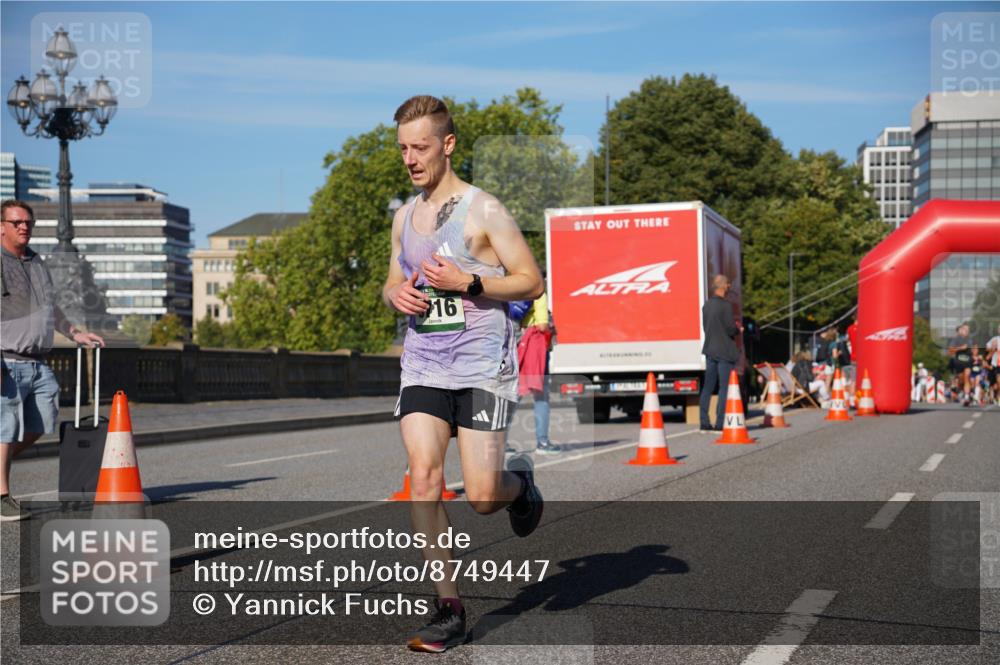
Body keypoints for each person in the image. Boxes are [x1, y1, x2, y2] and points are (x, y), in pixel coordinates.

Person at [381, 96, 545, 653]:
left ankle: (518, 486)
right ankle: (448, 606)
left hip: (482, 368)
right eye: (403, 148)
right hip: (424, 363)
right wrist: (395, 294)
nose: (410, 158)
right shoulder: (405, 216)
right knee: (423, 478)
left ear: (447, 145)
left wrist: (469, 283)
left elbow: (530, 281)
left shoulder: (486, 210)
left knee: (479, 497)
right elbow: (389, 281)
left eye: (420, 147)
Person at [1, 200, 105, 521]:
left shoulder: (36, 263)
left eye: (28, 223)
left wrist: (75, 333)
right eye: (17, 222)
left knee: (43, 421)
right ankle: (2, 495)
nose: (24, 227)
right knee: (6, 429)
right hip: (7, 360)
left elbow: (51, 308)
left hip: (38, 362)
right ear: (1, 226)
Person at [517, 288, 559, 455]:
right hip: (535, 346)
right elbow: (541, 325)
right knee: (541, 395)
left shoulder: (513, 289)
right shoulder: (538, 291)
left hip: (518, 344)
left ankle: (501, 442)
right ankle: (542, 442)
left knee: (513, 394)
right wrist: (552, 329)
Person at [699, 274, 742, 432]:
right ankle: (719, 423)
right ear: (723, 286)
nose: (730, 287)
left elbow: (706, 328)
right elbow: (731, 328)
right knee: (724, 388)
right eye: (728, 285)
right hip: (724, 351)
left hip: (710, 349)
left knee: (708, 387)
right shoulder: (725, 306)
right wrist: (738, 329)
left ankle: (704, 422)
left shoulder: (707, 305)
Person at [948, 323, 974, 406]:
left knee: (967, 376)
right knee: (961, 380)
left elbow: (975, 348)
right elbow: (950, 351)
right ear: (961, 331)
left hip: (968, 361)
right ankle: (963, 392)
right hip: (958, 362)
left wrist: (976, 355)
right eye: (965, 329)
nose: (966, 331)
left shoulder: (970, 339)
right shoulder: (955, 340)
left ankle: (966, 396)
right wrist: (960, 348)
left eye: (968, 330)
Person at [986, 323, 1000, 405]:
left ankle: (998, 396)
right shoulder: (994, 339)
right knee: (998, 382)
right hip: (997, 364)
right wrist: (993, 348)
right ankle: (997, 396)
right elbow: (987, 348)